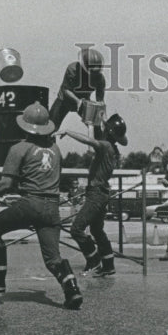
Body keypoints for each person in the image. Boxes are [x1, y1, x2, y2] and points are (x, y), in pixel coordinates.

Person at [0, 102, 83, 309]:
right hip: (52, 208)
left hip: (31, 204)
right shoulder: (55, 149)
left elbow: (5, 183)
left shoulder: (19, 148)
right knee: (52, 258)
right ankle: (72, 290)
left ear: (25, 126)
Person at [57, 113, 128, 276]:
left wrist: (68, 131)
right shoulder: (113, 147)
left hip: (96, 194)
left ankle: (93, 260)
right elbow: (118, 138)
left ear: (108, 132)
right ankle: (108, 265)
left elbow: (90, 141)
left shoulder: (105, 146)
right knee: (97, 230)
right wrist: (99, 121)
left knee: (76, 229)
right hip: (102, 193)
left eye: (105, 128)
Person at [48, 47, 107, 134]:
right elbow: (66, 90)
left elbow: (100, 101)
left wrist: (104, 118)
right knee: (50, 127)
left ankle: (97, 141)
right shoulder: (73, 69)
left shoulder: (100, 78)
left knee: (97, 130)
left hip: (84, 102)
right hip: (65, 100)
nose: (94, 75)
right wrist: (77, 101)